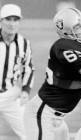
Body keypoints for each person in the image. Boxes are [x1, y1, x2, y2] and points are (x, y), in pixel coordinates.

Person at [24, 8, 81, 140]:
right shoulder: (63, 46)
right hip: (43, 113)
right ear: (67, 32)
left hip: (59, 119)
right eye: (78, 27)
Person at [0, 3, 34, 140]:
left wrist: (25, 90)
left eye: (16, 20)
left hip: (10, 95)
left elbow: (28, 68)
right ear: (1, 20)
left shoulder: (23, 43)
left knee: (30, 133)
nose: (12, 24)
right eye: (8, 19)